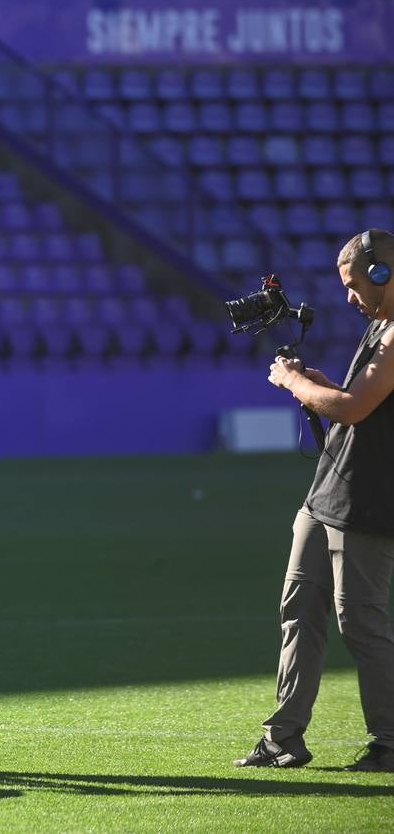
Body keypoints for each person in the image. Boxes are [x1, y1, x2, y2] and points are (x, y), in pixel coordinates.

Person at [235, 228, 394, 773]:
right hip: (329, 490)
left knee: (361, 621)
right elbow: (357, 403)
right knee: (298, 610)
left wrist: (293, 384)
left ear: (383, 273)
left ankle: (391, 741)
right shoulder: (380, 326)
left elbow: (352, 409)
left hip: (370, 501)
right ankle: (283, 737)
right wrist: (320, 383)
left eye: (355, 284)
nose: (349, 296)